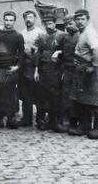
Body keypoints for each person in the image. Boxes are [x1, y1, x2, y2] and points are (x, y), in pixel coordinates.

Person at [0, 11, 24, 129]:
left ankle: (10, 118)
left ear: (14, 21)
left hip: (10, 69)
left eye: (11, 20)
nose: (8, 22)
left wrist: (17, 67)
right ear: (3, 20)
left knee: (10, 94)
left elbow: (22, 54)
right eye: (6, 20)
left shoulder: (18, 36)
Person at [35, 14, 66, 132]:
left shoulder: (61, 35)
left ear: (54, 23)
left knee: (55, 95)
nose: (48, 26)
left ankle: (54, 120)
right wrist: (36, 70)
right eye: (46, 23)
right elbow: (38, 53)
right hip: (43, 70)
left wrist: (59, 52)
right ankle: (42, 120)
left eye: (50, 23)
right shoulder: (42, 36)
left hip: (56, 70)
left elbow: (66, 53)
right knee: (42, 95)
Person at [72, 9, 98, 139]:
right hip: (83, 69)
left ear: (87, 19)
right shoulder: (82, 33)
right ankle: (85, 126)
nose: (79, 22)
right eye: (77, 19)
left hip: (91, 70)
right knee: (84, 99)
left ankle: (96, 128)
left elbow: (96, 49)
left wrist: (93, 66)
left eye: (82, 19)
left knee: (94, 100)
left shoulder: (90, 33)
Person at [18, 10, 45, 127]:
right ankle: (26, 118)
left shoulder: (40, 33)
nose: (28, 19)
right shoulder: (21, 33)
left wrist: (37, 69)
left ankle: (40, 119)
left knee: (38, 94)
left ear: (35, 19)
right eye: (26, 17)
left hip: (36, 66)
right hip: (24, 66)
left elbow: (42, 51)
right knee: (25, 94)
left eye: (30, 17)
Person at [58, 14, 80, 135]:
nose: (68, 26)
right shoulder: (65, 38)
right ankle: (67, 121)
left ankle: (77, 122)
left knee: (76, 97)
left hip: (78, 71)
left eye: (70, 23)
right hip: (67, 71)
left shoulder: (81, 36)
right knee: (66, 96)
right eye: (66, 24)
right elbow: (63, 55)